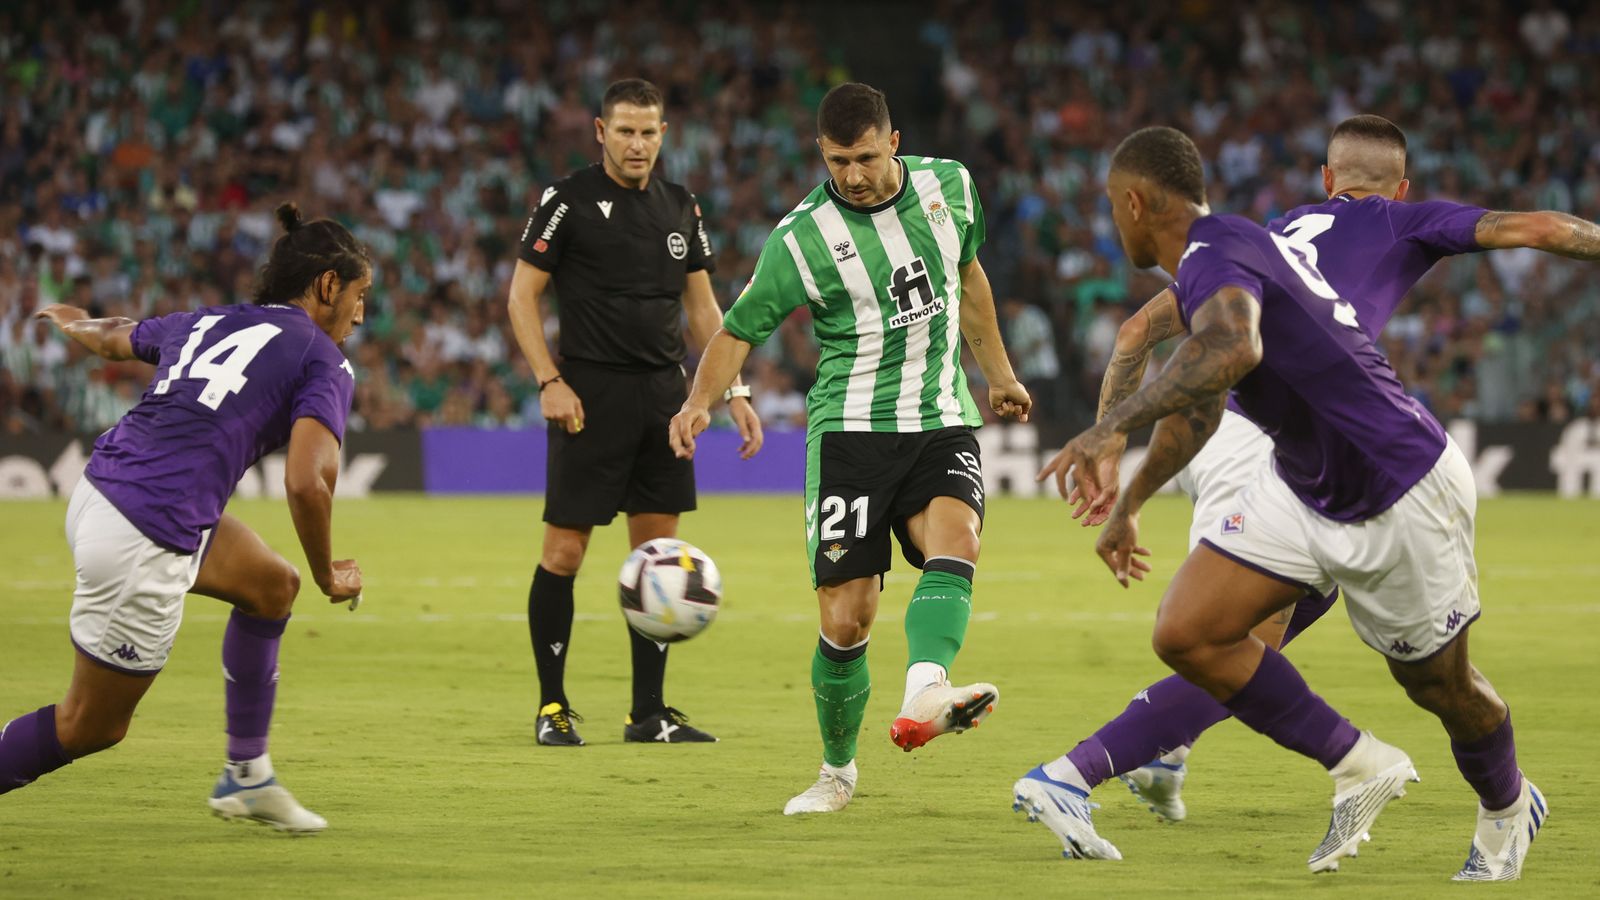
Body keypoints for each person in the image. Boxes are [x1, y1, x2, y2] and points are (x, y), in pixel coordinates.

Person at [1012, 126, 1582, 879]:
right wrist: (1132, 500)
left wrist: (1109, 429)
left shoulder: (1242, 243)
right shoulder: (1230, 249)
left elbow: (1232, 352)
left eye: (1112, 212)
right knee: (1191, 631)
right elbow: (1209, 395)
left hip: (1397, 484)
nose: (1113, 226)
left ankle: (1509, 806)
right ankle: (1357, 762)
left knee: (1441, 688)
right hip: (1302, 478)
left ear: (1134, 203)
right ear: (1399, 186)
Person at [668, 83, 1032, 815]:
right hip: (850, 435)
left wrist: (999, 374)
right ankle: (838, 772)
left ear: (893, 142)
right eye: (839, 161)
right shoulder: (801, 239)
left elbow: (968, 278)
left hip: (938, 416)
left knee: (956, 539)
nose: (854, 175)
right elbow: (738, 330)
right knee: (847, 620)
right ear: (821, 153)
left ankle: (925, 689)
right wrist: (699, 401)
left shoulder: (951, 186)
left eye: (866, 157)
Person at [0, 203, 368, 834]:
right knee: (91, 724)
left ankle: (246, 778)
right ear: (328, 284)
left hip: (102, 489)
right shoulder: (323, 359)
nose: (362, 313)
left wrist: (72, 322)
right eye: (360, 295)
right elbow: (308, 483)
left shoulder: (210, 319)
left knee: (271, 587)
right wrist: (331, 574)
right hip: (147, 530)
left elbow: (117, 335)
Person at [506, 78, 764, 747]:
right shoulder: (566, 199)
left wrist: (732, 392)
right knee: (564, 553)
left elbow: (705, 310)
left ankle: (647, 714)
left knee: (656, 557)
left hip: (664, 398)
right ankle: (552, 707)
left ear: (664, 135)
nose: (637, 143)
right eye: (624, 130)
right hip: (587, 397)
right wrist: (548, 381)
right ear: (600, 131)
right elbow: (520, 297)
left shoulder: (681, 206)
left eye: (649, 132)